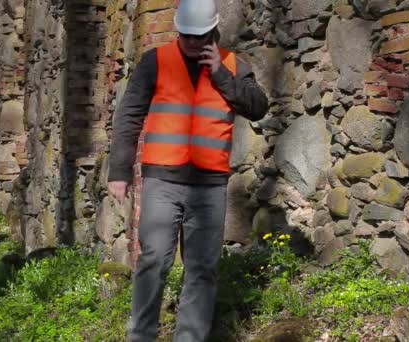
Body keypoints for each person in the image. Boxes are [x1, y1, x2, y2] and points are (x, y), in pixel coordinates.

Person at [107, 0, 268, 340]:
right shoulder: (156, 61)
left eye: (200, 37)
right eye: (186, 36)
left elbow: (258, 107)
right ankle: (141, 335)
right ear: (178, 30)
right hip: (162, 180)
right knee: (153, 260)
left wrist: (221, 76)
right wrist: (119, 170)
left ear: (213, 32)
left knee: (202, 269)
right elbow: (129, 116)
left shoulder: (233, 65)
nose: (193, 43)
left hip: (209, 185)